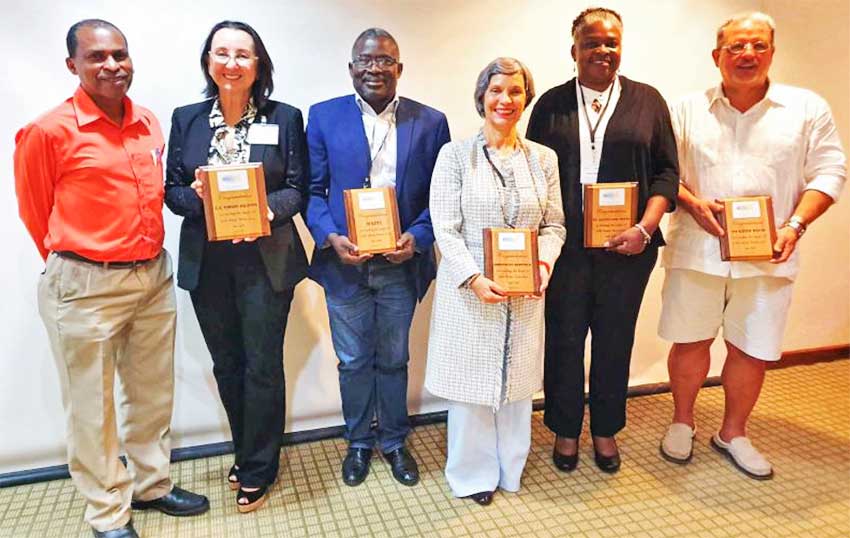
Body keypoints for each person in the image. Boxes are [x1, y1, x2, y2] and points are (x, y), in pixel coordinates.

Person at [14, 19, 208, 538]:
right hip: (85, 286)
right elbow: (35, 211)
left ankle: (152, 484)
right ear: (72, 65)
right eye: (97, 57)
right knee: (91, 408)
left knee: (151, 394)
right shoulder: (48, 130)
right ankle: (107, 512)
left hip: (151, 277)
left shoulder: (146, 122)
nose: (111, 66)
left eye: (119, 55)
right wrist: (74, 264)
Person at [658, 11, 845, 480]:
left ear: (772, 53)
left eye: (758, 46)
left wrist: (796, 225)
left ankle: (733, 432)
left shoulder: (806, 109)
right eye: (737, 46)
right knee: (690, 340)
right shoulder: (685, 109)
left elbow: (830, 171)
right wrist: (693, 203)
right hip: (697, 250)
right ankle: (683, 421)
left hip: (769, 254)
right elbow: (662, 172)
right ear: (717, 56)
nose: (748, 54)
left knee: (751, 348)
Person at [526, 7, 679, 474]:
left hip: (628, 250)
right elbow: (531, 175)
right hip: (565, 250)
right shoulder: (550, 105)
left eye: (611, 42)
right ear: (574, 50)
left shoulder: (648, 100)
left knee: (615, 339)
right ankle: (566, 428)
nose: (602, 51)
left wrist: (645, 229)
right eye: (592, 42)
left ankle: (606, 428)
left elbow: (668, 173)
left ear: (621, 48)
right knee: (565, 339)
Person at [164, 20, 309, 512]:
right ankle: (247, 451)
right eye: (221, 53)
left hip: (266, 261)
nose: (231, 63)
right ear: (208, 61)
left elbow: (296, 188)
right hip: (208, 264)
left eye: (242, 55)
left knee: (263, 366)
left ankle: (259, 467)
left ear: (258, 64)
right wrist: (197, 197)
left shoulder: (284, 118)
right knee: (228, 364)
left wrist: (267, 211)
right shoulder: (186, 119)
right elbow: (172, 192)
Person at [305, 28, 450, 488]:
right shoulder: (324, 117)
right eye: (365, 61)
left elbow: (440, 196)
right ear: (351, 69)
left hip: (399, 264)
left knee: (393, 357)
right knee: (352, 361)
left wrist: (417, 236)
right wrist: (330, 237)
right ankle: (358, 444)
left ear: (399, 68)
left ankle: (393, 440)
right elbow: (312, 192)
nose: (375, 68)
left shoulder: (430, 122)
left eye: (385, 60)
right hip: (344, 263)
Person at [426, 58, 566, 506]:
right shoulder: (454, 156)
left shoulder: (544, 159)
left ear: (526, 98)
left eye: (516, 91)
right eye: (497, 90)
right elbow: (445, 227)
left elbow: (555, 226)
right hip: (471, 293)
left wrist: (542, 266)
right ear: (481, 96)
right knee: (471, 390)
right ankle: (471, 475)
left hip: (526, 293)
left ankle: (510, 469)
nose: (506, 100)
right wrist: (473, 277)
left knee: (516, 387)